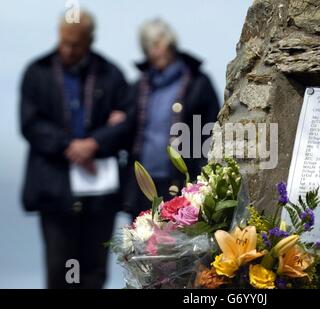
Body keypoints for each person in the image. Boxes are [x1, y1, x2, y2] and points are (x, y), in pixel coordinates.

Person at [19, 10, 131, 288]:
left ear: (89, 42)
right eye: (64, 42)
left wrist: (95, 142)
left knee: (94, 269)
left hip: (99, 192)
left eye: (75, 45)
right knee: (60, 268)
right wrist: (69, 146)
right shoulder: (38, 72)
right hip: (54, 189)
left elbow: (129, 121)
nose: (68, 50)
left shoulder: (110, 74)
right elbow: (30, 124)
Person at [123, 19, 220, 218]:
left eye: (158, 44)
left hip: (183, 180)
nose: (155, 51)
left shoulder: (198, 83)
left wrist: (203, 180)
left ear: (170, 43)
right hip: (143, 183)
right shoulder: (138, 87)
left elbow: (211, 131)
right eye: (148, 47)